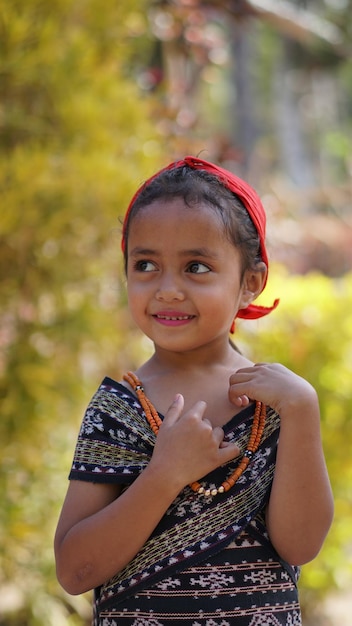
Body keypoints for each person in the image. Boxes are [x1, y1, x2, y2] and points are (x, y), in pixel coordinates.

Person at [54, 156, 334, 626]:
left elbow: (301, 545)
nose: (167, 289)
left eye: (196, 267)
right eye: (146, 264)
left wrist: (304, 410)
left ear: (250, 283)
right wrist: (165, 473)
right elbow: (74, 569)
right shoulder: (119, 411)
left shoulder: (279, 403)